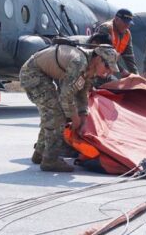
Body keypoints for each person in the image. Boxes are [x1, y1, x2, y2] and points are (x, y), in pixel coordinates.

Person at [19, 43, 119, 172]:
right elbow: (66, 96)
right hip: (32, 74)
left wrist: (83, 116)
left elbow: (82, 93)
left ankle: (40, 153)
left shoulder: (90, 69)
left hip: (42, 76)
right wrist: (74, 117)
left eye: (111, 69)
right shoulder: (79, 63)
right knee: (56, 115)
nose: (109, 72)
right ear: (98, 59)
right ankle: (50, 160)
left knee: (54, 113)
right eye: (107, 66)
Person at [95, 8, 138, 76]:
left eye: (129, 23)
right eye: (125, 22)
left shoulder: (127, 34)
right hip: (96, 66)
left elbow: (129, 57)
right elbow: (104, 53)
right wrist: (122, 70)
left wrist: (136, 75)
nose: (127, 26)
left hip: (108, 69)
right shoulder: (106, 28)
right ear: (116, 19)